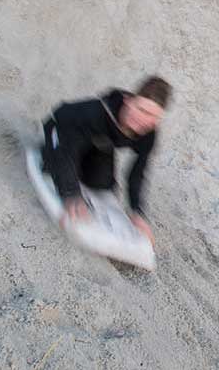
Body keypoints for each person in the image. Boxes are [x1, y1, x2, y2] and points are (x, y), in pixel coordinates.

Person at [41, 76, 171, 244]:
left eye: (153, 116)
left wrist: (137, 212)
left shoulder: (149, 134)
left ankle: (79, 169)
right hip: (62, 128)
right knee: (54, 167)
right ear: (129, 101)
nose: (144, 120)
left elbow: (137, 174)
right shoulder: (96, 112)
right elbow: (66, 149)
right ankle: (47, 156)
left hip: (97, 142)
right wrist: (71, 193)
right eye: (142, 110)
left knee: (102, 183)